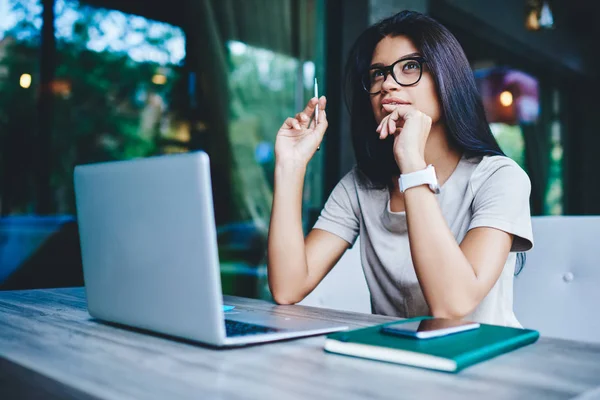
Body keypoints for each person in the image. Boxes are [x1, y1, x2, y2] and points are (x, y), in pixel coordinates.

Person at [267, 10, 533, 327]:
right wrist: (291, 166)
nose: (388, 84)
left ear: (446, 78)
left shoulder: (500, 177)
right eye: (377, 73)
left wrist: (412, 163)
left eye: (410, 66)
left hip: (483, 364)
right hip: (395, 365)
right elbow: (288, 287)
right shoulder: (361, 186)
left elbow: (452, 304)